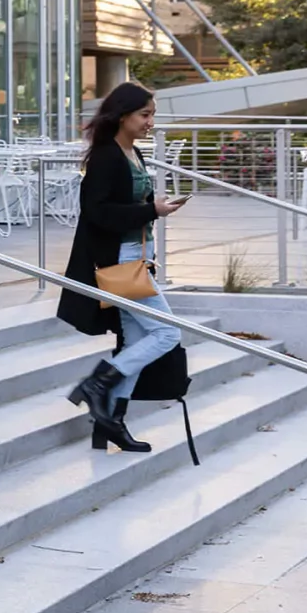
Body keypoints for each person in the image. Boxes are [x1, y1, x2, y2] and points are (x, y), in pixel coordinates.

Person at [58, 81, 185, 453]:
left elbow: (130, 208)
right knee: (166, 334)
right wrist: (152, 210)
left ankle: (109, 423)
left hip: (136, 257)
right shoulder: (106, 156)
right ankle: (97, 383)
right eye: (145, 115)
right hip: (119, 261)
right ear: (122, 115)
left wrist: (151, 216)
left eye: (152, 115)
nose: (150, 122)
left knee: (135, 339)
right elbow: (96, 212)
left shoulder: (132, 152)